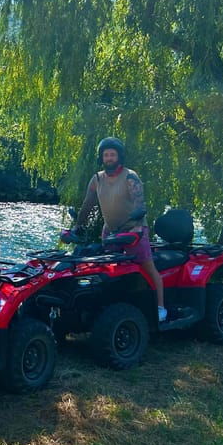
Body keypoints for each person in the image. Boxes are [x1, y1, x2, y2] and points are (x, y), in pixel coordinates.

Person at [77, 137, 167, 320]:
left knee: (148, 266)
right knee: (107, 269)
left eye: (112, 154)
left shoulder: (130, 177)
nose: (109, 158)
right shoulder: (96, 179)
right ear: (101, 158)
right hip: (110, 231)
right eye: (106, 155)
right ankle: (111, 307)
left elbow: (140, 205)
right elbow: (87, 205)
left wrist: (136, 227)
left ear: (119, 156)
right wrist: (78, 226)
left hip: (134, 230)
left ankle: (161, 308)